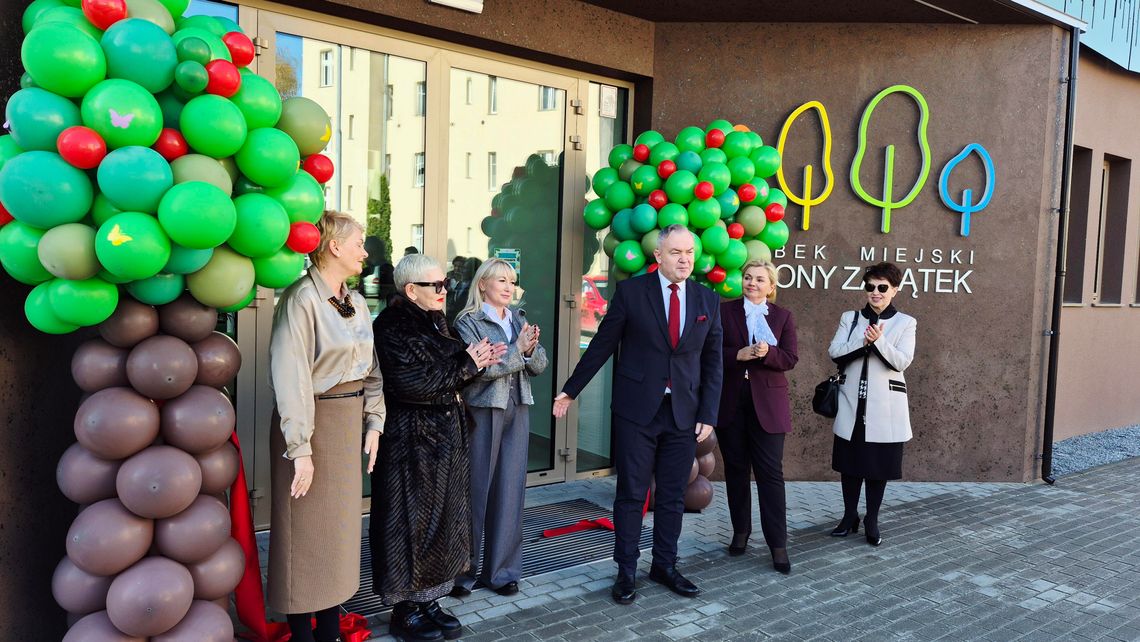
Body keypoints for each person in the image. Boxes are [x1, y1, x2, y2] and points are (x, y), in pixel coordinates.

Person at [553, 224, 723, 605]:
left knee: (673, 496)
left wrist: (708, 414)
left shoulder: (706, 301)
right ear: (658, 256)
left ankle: (665, 565)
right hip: (636, 413)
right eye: (676, 252)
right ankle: (626, 570)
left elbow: (713, 363)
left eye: (689, 253)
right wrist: (570, 390)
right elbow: (601, 345)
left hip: (684, 414)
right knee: (631, 494)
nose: (684, 259)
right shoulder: (631, 294)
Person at [370, 254, 505, 641]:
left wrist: (477, 362)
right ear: (411, 290)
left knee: (441, 521)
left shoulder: (433, 319)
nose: (446, 291)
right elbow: (411, 383)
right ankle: (405, 609)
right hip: (411, 443)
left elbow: (446, 375)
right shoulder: (392, 326)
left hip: (443, 437)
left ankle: (429, 599)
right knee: (410, 526)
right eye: (437, 286)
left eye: (446, 283)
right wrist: (467, 363)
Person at [267, 211, 386, 642]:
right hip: (311, 424)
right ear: (334, 247)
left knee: (336, 536)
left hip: (346, 424)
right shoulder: (300, 299)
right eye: (358, 243)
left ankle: (330, 632)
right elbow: (291, 376)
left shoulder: (353, 299)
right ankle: (302, 634)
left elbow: (372, 368)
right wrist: (300, 449)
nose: (364, 251)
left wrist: (374, 421)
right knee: (303, 535)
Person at [450, 258, 547, 598]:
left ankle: (502, 571)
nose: (508, 287)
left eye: (512, 281)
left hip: (517, 407)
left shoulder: (517, 318)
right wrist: (518, 353)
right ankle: (462, 574)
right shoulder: (469, 323)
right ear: (482, 285)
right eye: (500, 280)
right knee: (474, 491)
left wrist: (530, 349)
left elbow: (539, 365)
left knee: (509, 490)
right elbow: (478, 370)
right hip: (482, 408)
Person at [716, 260, 798, 574]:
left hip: (769, 406)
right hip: (731, 403)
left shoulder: (783, 317)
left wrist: (767, 354)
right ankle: (741, 531)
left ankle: (778, 544)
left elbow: (791, 358)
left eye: (759, 279)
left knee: (770, 476)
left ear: (771, 286)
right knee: (736, 470)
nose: (752, 283)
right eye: (748, 278)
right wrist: (738, 354)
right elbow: (709, 351)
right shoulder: (725, 312)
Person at [827, 262, 916, 547]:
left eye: (882, 287)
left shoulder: (906, 322)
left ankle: (872, 518)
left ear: (895, 290)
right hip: (852, 401)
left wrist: (879, 342)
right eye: (870, 287)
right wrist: (863, 342)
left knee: (878, 466)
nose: (875, 293)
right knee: (850, 464)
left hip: (886, 407)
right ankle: (849, 515)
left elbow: (902, 361)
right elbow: (835, 352)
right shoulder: (850, 318)